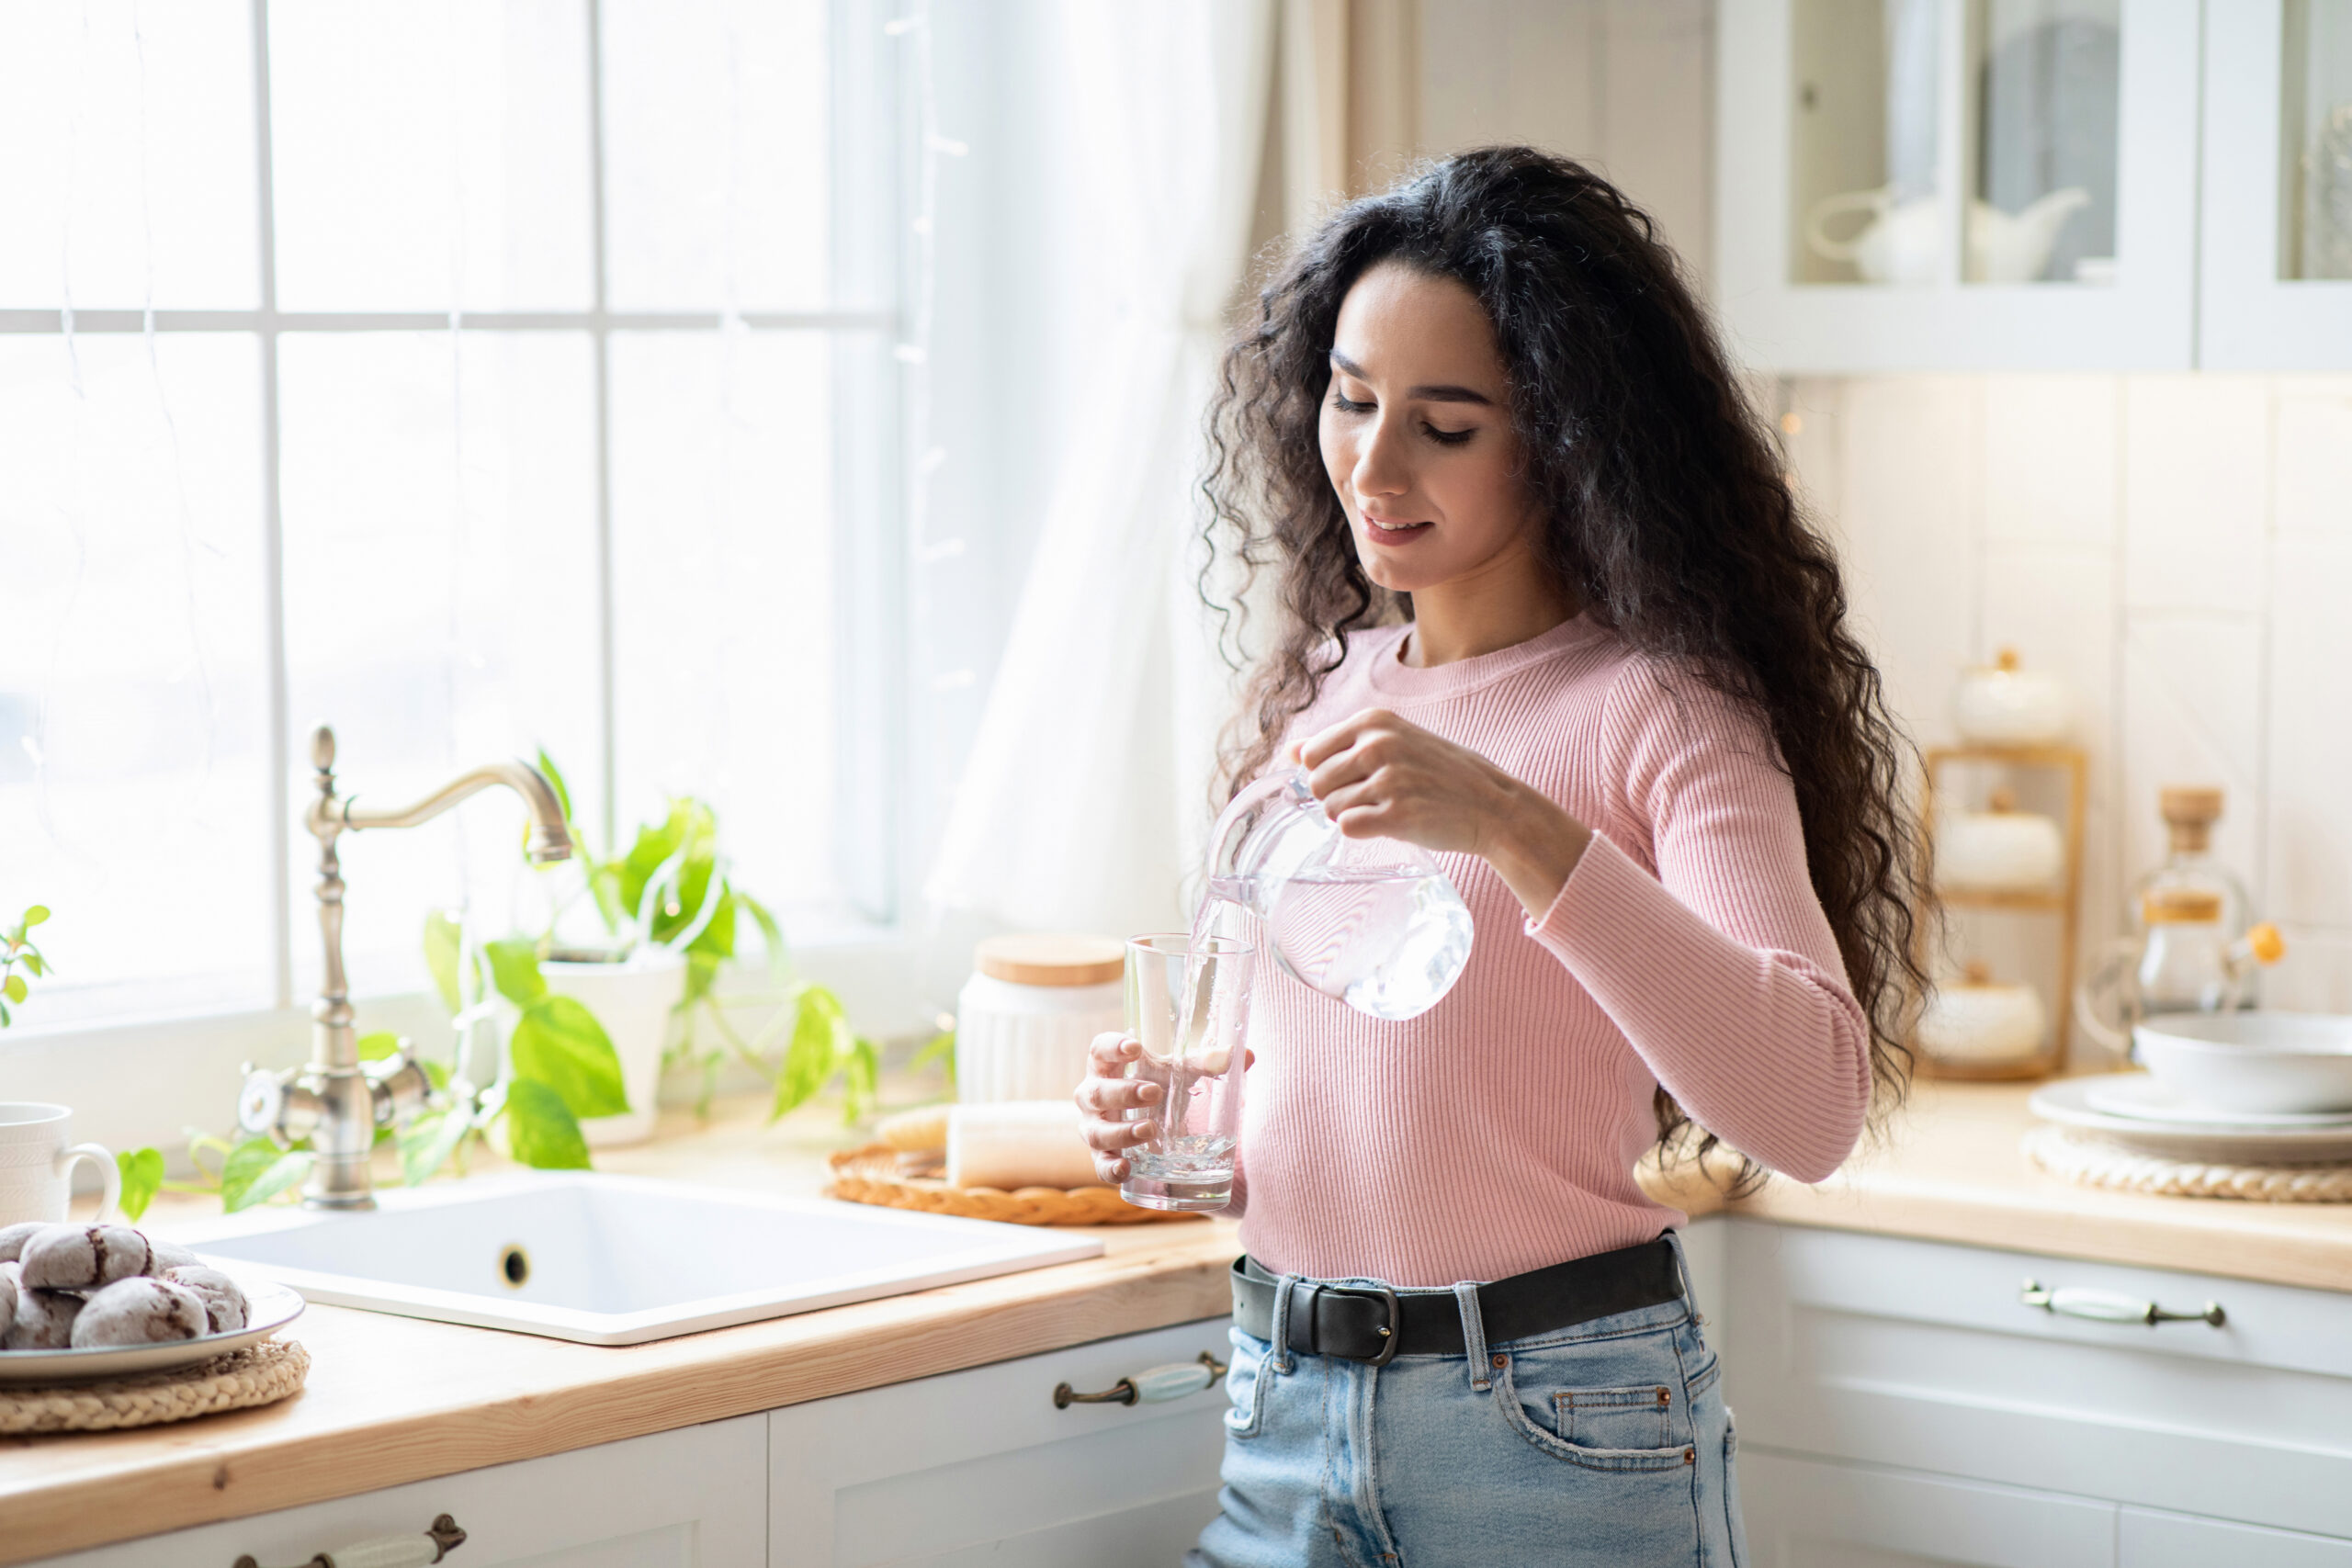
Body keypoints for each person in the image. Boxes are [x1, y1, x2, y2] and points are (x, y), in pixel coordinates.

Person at [1075, 146, 1928, 1566]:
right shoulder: (1308, 693)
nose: (1374, 463)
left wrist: (1521, 829)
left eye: (1446, 425)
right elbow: (1394, 1088)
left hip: (1559, 1428)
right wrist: (1191, 1118)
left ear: (1568, 436)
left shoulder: (1657, 710)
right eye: (1351, 399)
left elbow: (1812, 1105)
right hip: (1282, 1406)